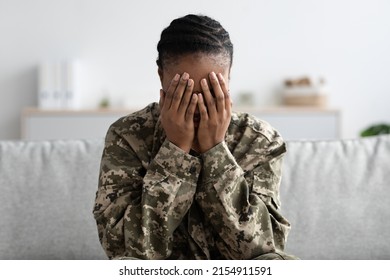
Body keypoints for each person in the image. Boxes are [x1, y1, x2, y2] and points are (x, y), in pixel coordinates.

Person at [93, 14, 297, 260]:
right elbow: (124, 250)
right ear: (161, 76)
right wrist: (176, 151)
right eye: (185, 91)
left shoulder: (259, 140)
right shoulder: (126, 136)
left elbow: (264, 248)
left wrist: (215, 150)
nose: (200, 105)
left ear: (229, 76)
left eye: (212, 90)